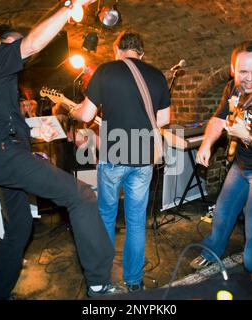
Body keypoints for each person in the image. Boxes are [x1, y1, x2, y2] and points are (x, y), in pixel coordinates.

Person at [0, 0, 121, 300]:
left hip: (0, 157)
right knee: (82, 196)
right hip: (4, 155)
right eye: (20, 49)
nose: (26, 55)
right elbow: (34, 42)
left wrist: (34, 131)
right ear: (7, 45)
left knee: (20, 226)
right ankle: (100, 285)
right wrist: (69, 8)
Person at [70, 31, 171, 292]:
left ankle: (102, 280)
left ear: (117, 50)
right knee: (136, 221)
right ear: (142, 53)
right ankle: (134, 281)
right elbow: (162, 121)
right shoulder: (157, 75)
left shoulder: (106, 70)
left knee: (106, 215)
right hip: (143, 158)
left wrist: (73, 109)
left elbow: (87, 114)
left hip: (114, 156)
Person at [190, 41, 252, 274]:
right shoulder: (232, 88)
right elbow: (218, 118)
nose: (249, 78)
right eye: (243, 71)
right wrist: (207, 143)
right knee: (223, 212)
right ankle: (211, 252)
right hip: (242, 164)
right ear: (232, 69)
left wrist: (248, 136)